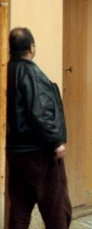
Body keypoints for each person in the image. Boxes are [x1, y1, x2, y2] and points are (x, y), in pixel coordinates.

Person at [7, 27, 72, 229]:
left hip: (15, 152)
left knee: (19, 208)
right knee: (56, 208)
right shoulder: (31, 73)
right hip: (38, 152)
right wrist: (55, 141)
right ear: (31, 47)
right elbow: (39, 112)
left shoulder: (6, 72)